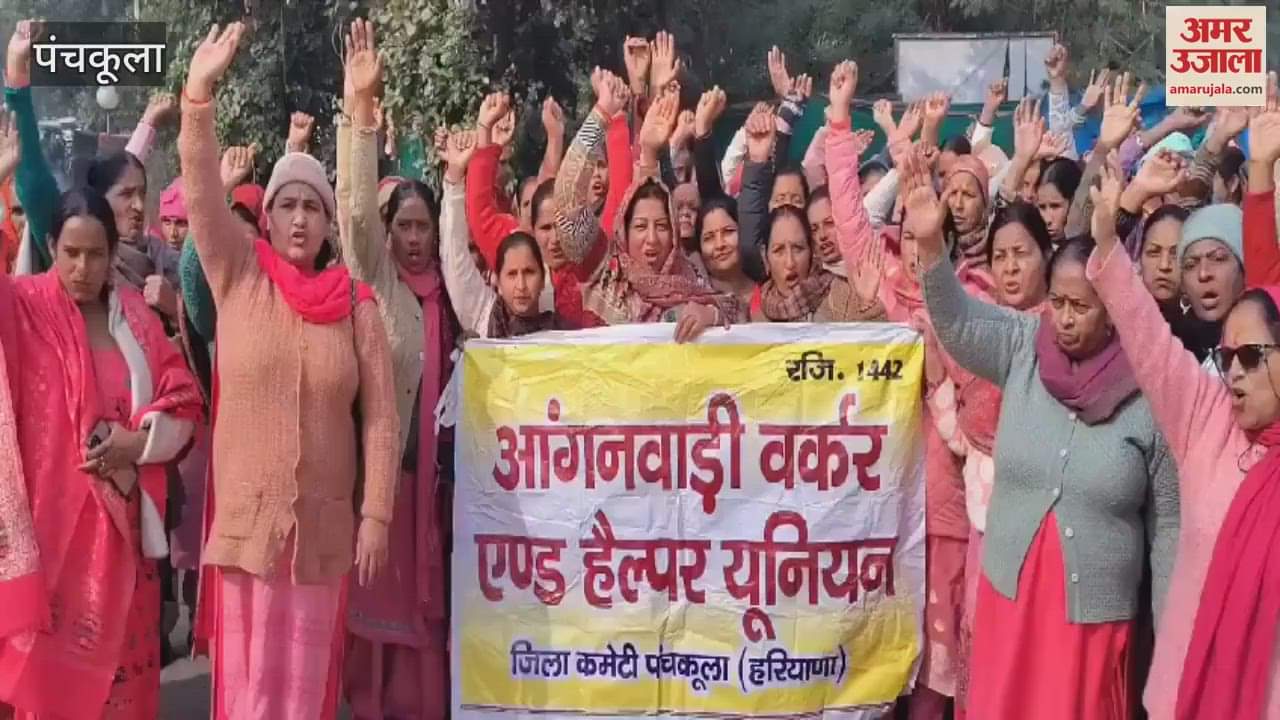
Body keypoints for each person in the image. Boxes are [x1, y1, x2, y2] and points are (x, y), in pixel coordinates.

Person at [916, 132, 1179, 717]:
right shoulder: (1023, 346)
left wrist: (1168, 649)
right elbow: (957, 323)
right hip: (1012, 606)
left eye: (1081, 305)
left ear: (1116, 308)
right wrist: (932, 247)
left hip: (1093, 627)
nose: (1063, 318)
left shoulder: (1150, 391)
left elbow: (1168, 530)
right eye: (1058, 302)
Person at [179, 23, 397, 719]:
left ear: (329, 225)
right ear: (265, 218)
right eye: (287, 206)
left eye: (313, 207)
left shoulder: (356, 306)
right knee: (248, 697)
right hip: (249, 534)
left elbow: (384, 420)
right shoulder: (239, 276)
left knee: (305, 699)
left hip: (323, 535)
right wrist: (197, 96)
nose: (300, 219)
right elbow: (202, 195)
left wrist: (377, 515)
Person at [1087, 156, 1280, 719]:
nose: (1236, 373)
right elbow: (1146, 334)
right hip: (1187, 695)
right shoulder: (1205, 416)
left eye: (1252, 357)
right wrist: (1106, 240)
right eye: (1227, 358)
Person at [0, 184, 202, 719]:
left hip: (124, 537)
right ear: (49, 246)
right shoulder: (24, 308)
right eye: (71, 253)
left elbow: (184, 398)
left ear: (113, 255)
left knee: (122, 697)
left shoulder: (134, 318)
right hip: (55, 541)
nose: (83, 267)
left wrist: (138, 443)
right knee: (51, 692)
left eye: (95, 254)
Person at [334, 22, 457, 717]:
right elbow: (353, 210)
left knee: (429, 625)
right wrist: (361, 111)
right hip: (381, 488)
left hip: (437, 494)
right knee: (373, 621)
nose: (413, 238)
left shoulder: (455, 293)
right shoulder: (377, 282)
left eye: (422, 226)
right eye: (402, 226)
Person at [554, 84, 741, 335]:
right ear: (624, 230)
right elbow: (567, 204)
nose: (651, 240)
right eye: (641, 226)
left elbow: (737, 311)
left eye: (662, 226)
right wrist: (602, 113)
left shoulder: (687, 276)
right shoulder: (603, 270)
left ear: (674, 234)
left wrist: (711, 313)